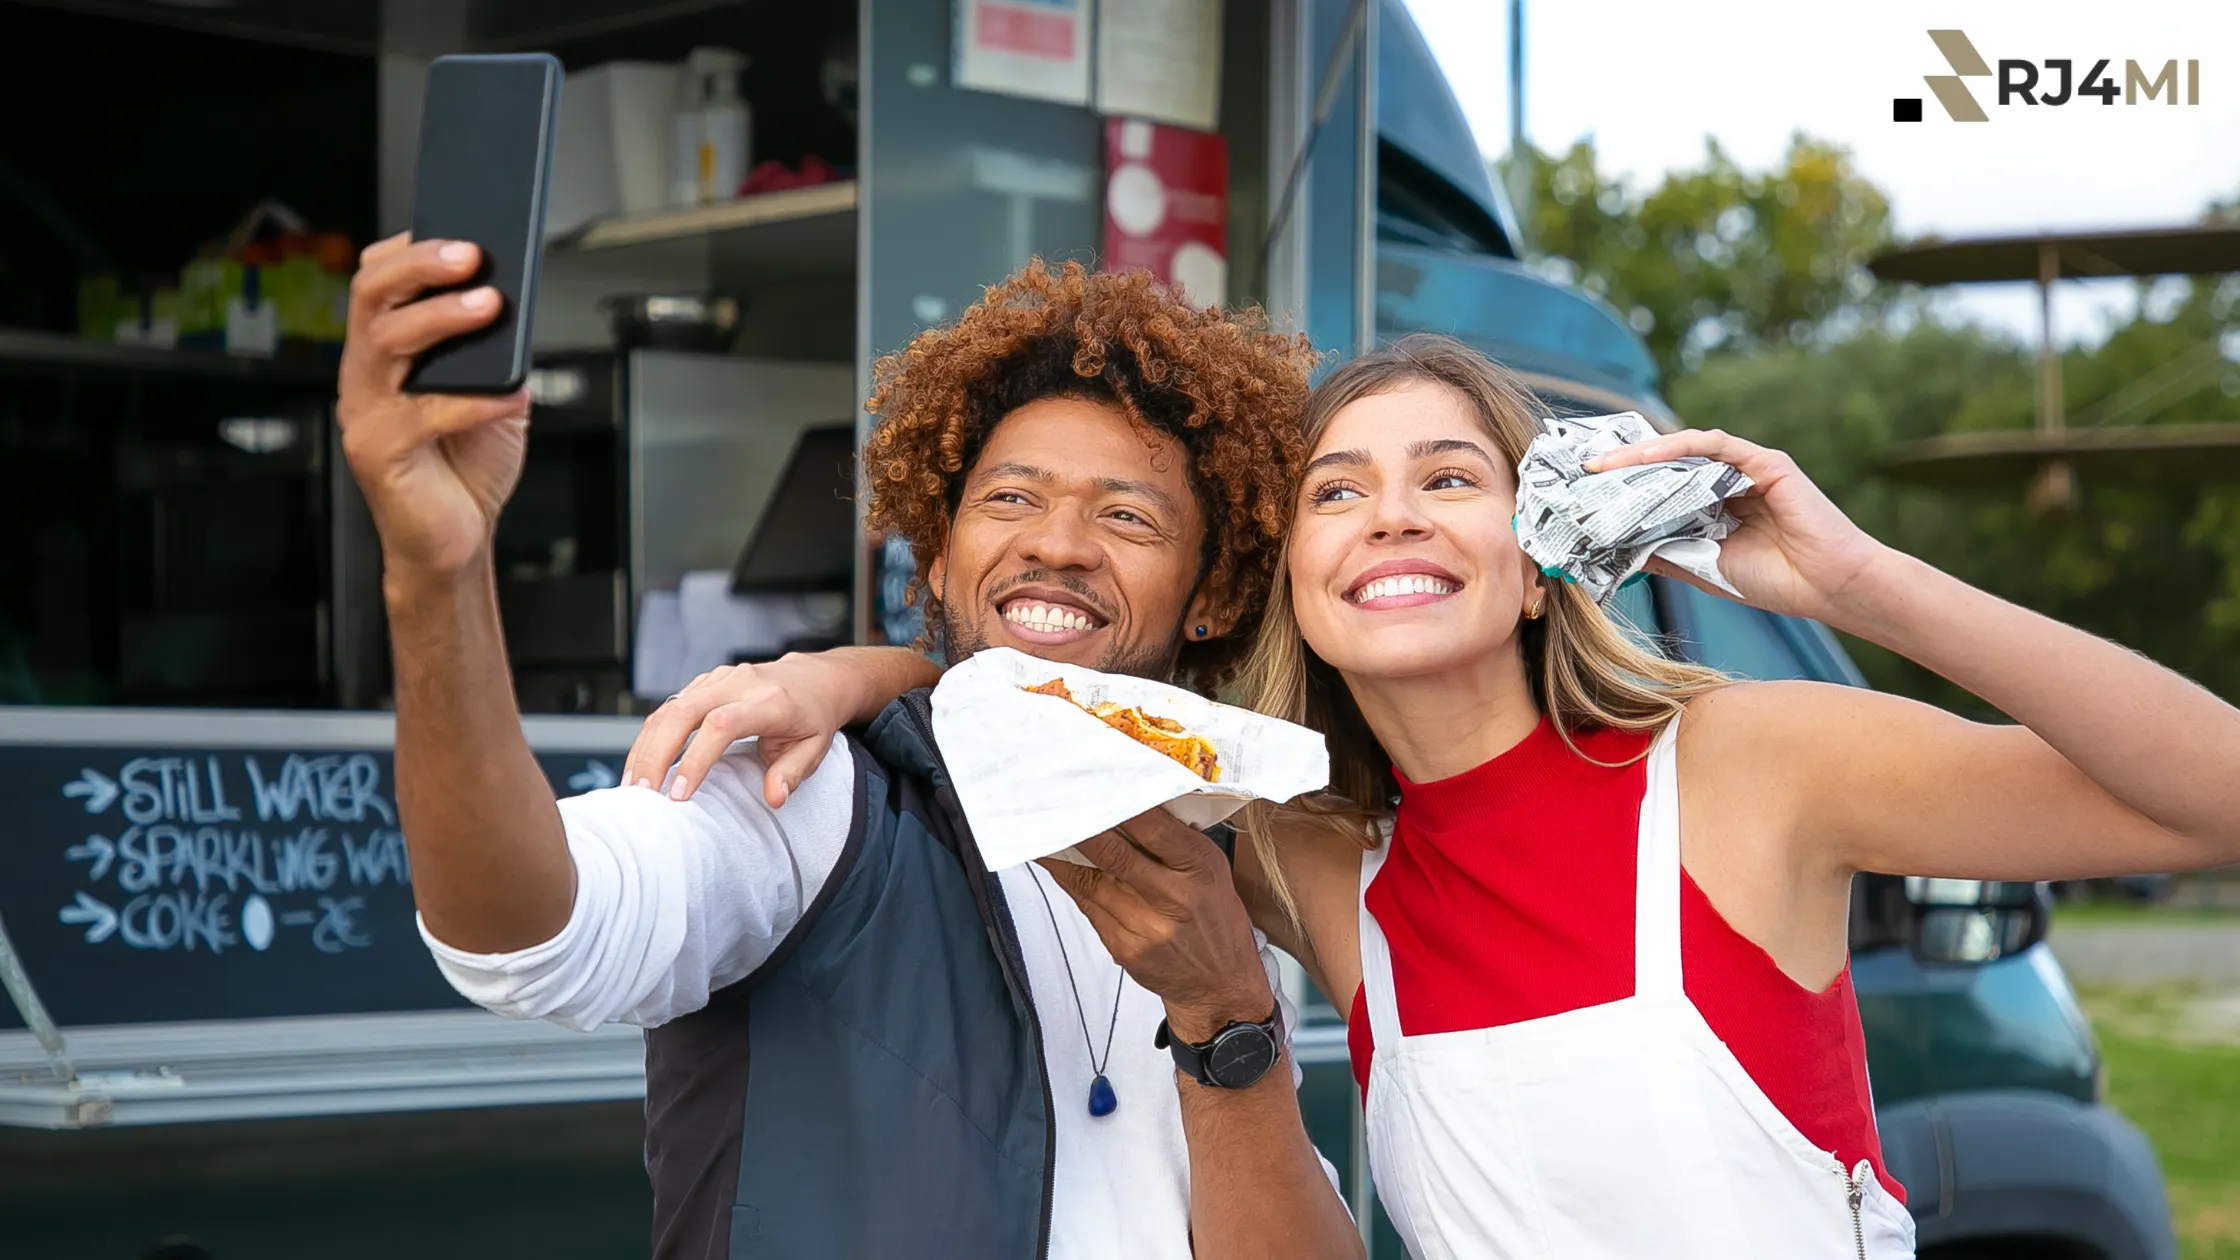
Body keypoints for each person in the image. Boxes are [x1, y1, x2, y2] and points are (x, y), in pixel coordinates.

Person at [655, 333, 2240, 1259]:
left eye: (1450, 478)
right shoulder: (1311, 854)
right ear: (1292, 585)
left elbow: (2215, 800)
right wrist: (852, 676)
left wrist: (1861, 577)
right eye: (1338, 492)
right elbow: (1036, 676)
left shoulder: (1750, 763)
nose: (1390, 517)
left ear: (1543, 564)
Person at [337, 243, 1361, 1260]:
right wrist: (439, 575)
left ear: (1214, 592)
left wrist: (1225, 1015)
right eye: (1007, 498)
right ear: (941, 545)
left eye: (1125, 514)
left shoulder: (1230, 865)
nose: (1054, 542)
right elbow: (525, 939)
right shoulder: (819, 800)